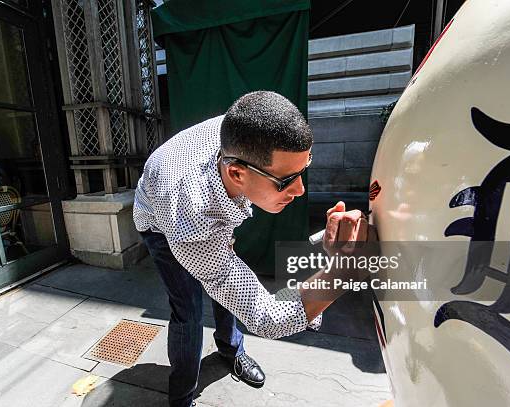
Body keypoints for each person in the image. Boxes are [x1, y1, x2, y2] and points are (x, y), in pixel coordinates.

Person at [133, 91, 371, 407]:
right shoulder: (193, 226)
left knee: (225, 285)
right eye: (287, 180)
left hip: (194, 203)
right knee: (188, 311)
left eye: (304, 170)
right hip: (160, 225)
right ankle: (182, 396)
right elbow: (268, 317)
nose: (300, 190)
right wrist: (344, 270)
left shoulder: (242, 133)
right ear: (236, 173)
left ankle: (231, 349)